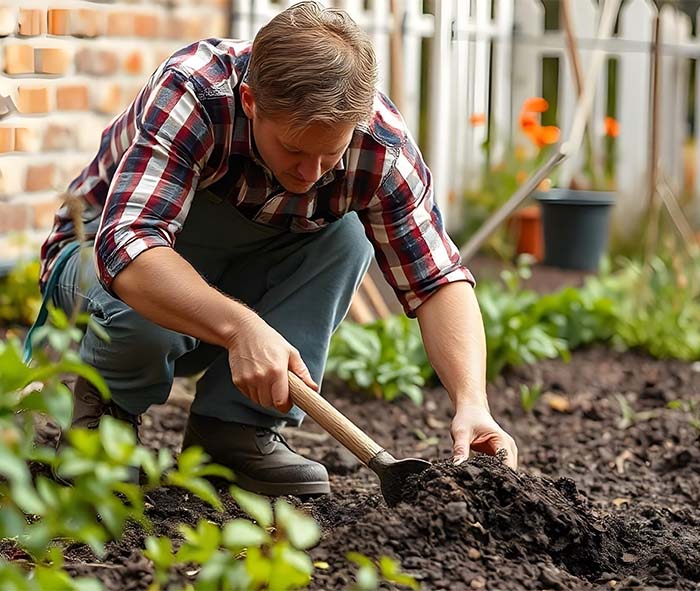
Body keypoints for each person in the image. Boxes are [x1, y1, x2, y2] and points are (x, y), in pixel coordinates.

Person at [39, 1, 518, 496]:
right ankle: (106, 421)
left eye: (329, 153)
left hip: (215, 286)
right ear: (249, 100)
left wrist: (473, 402)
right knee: (139, 301)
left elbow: (437, 278)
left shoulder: (381, 145)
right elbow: (128, 246)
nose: (311, 173)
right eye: (293, 149)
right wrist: (241, 326)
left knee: (346, 237)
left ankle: (234, 429)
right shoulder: (194, 91)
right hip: (97, 262)